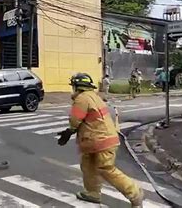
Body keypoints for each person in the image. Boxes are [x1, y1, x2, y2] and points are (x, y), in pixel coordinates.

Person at [57, 73, 143, 207]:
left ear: (77, 86)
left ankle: (134, 192)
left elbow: (75, 120)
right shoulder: (94, 97)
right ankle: (92, 193)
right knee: (88, 165)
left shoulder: (82, 98)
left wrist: (69, 132)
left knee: (106, 169)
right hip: (96, 140)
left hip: (101, 141)